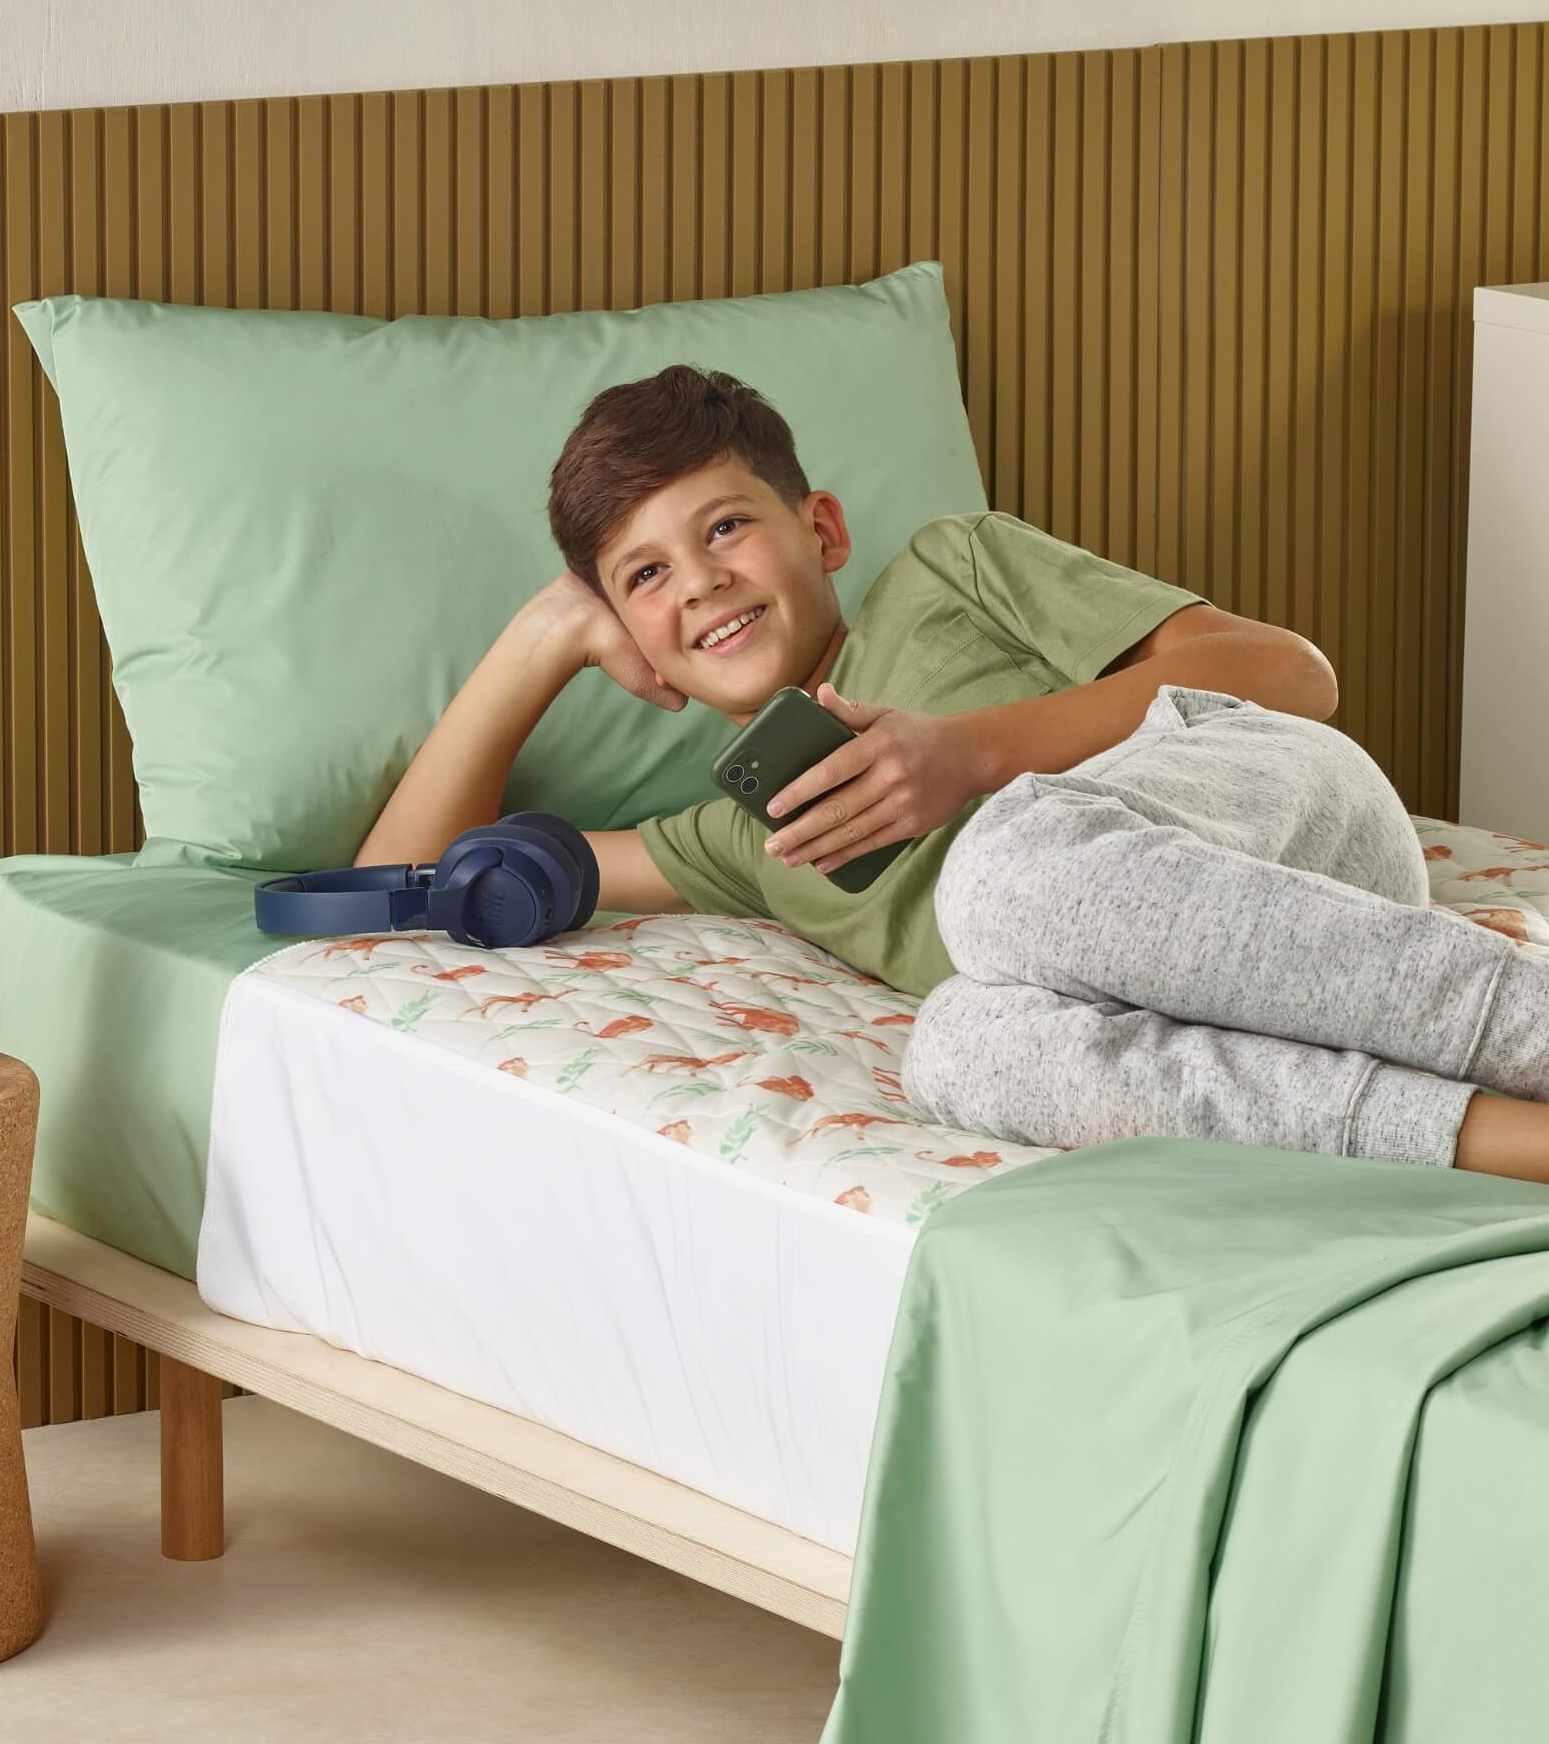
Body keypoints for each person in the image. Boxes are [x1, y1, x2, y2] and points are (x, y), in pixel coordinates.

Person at [354, 364, 1549, 1184]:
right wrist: (539, 638)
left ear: (819, 529)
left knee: (994, 879)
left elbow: (1289, 675)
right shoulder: (739, 841)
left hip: (1273, 807)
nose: (699, 582)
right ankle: (1501, 1137)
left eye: (723, 528)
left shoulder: (947, 567)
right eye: (642, 577)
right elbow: (391, 885)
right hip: (1207, 985)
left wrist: (967, 753)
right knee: (958, 1048)